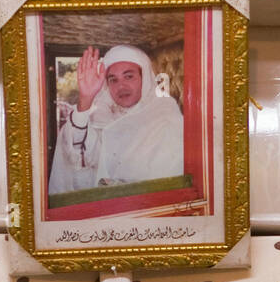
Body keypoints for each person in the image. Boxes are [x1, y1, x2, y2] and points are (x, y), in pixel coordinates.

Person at [49, 44, 185, 196]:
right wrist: (85, 99)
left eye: (129, 76)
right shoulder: (102, 116)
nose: (121, 86)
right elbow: (74, 150)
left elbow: (167, 188)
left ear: (144, 78)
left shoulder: (167, 121)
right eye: (113, 79)